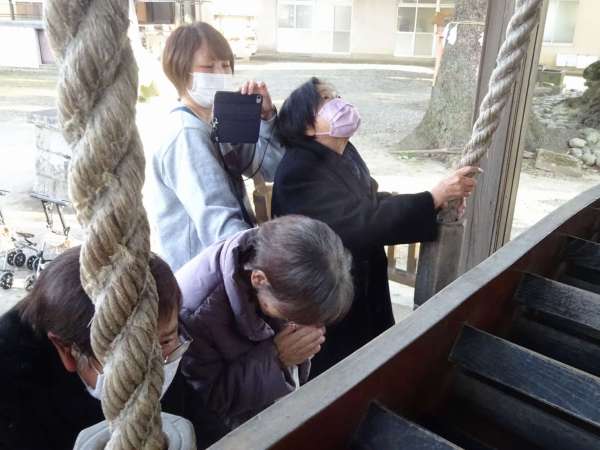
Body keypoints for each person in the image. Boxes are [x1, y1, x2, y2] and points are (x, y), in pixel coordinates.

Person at [271, 77, 479, 378]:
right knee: (338, 375)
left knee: (372, 363)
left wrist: (434, 204)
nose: (338, 102)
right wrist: (432, 198)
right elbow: (358, 223)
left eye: (336, 94)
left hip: (362, 286)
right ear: (306, 126)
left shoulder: (344, 153)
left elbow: (370, 201)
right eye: (325, 99)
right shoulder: (298, 169)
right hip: (326, 298)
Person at [0, 247, 227, 450]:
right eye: (129, 358)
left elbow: (206, 428)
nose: (152, 370)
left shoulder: (160, 348)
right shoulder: (13, 401)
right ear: (68, 351)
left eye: (166, 342)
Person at [176, 215, 354, 428]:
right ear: (258, 279)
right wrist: (277, 359)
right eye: (291, 316)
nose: (303, 327)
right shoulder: (195, 314)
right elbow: (211, 398)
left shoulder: (271, 259)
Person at [149, 22, 284, 271]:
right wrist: (263, 266)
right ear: (181, 71)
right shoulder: (186, 134)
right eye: (208, 67)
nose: (220, 73)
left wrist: (266, 119)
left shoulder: (219, 120)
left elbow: (270, 169)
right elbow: (219, 222)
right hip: (205, 272)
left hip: (225, 261)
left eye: (225, 65)